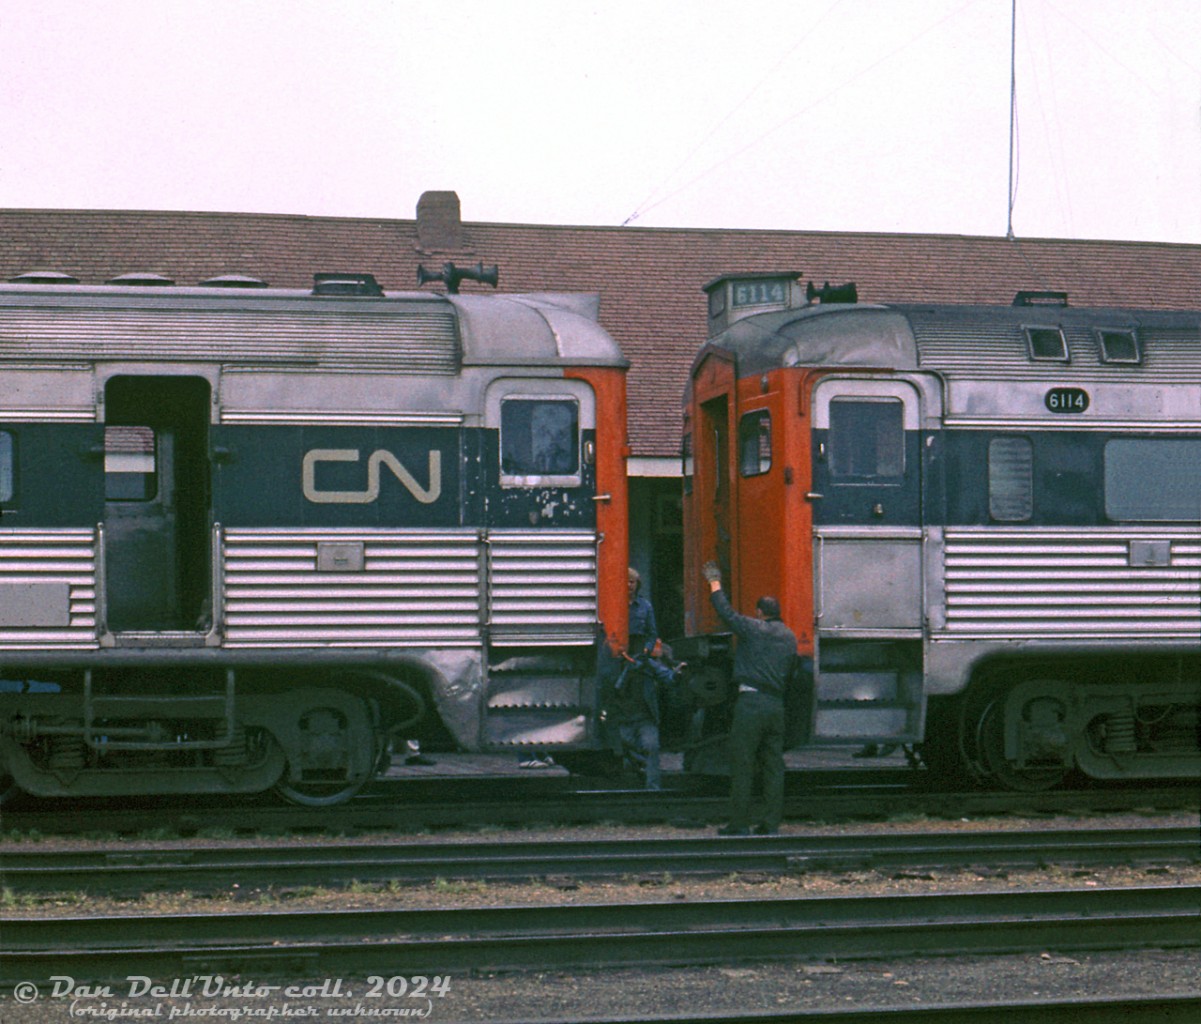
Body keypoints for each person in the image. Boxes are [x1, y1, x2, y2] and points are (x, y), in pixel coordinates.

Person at [702, 561, 797, 836]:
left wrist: (714, 582)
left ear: (759, 613)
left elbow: (726, 613)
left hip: (751, 704)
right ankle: (770, 823)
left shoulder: (754, 629)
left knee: (743, 763)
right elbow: (792, 673)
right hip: (776, 704)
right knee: (773, 766)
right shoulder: (789, 637)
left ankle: (739, 823)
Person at [606, 568, 679, 790]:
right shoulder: (612, 605)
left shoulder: (644, 607)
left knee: (650, 744)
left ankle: (652, 788)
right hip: (616, 659)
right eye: (625, 582)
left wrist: (644, 654)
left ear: (638, 584)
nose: (629, 586)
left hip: (638, 658)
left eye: (632, 582)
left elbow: (651, 634)